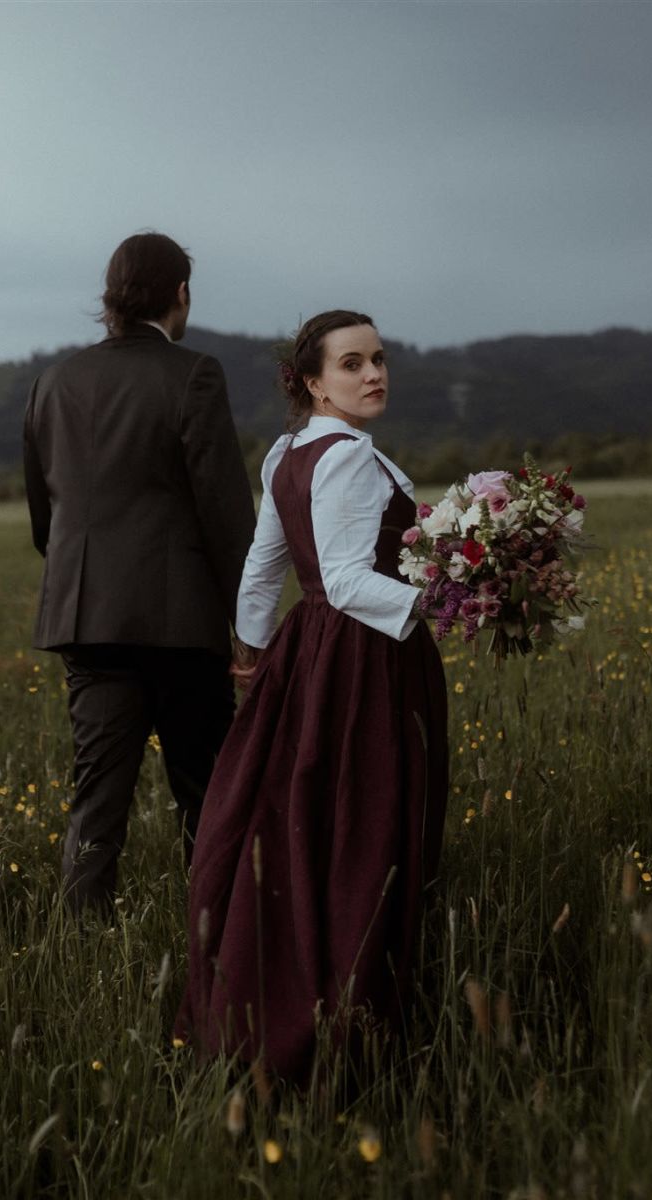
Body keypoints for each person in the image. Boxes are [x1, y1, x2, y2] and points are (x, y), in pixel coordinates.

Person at [175, 309, 448, 1083]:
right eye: (353, 363)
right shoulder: (348, 458)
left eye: (379, 359)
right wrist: (456, 590)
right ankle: (350, 1010)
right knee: (363, 823)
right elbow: (349, 580)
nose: (373, 375)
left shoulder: (287, 453)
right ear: (312, 381)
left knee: (310, 816)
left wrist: (256, 654)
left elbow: (265, 570)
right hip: (364, 660)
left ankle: (302, 984)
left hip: (310, 654)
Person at [23, 232, 257, 919]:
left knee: (96, 799)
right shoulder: (194, 374)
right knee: (207, 793)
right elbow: (225, 511)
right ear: (181, 293)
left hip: (86, 619)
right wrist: (249, 621)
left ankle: (83, 948)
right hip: (182, 623)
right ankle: (216, 942)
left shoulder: (52, 381)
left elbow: (47, 520)